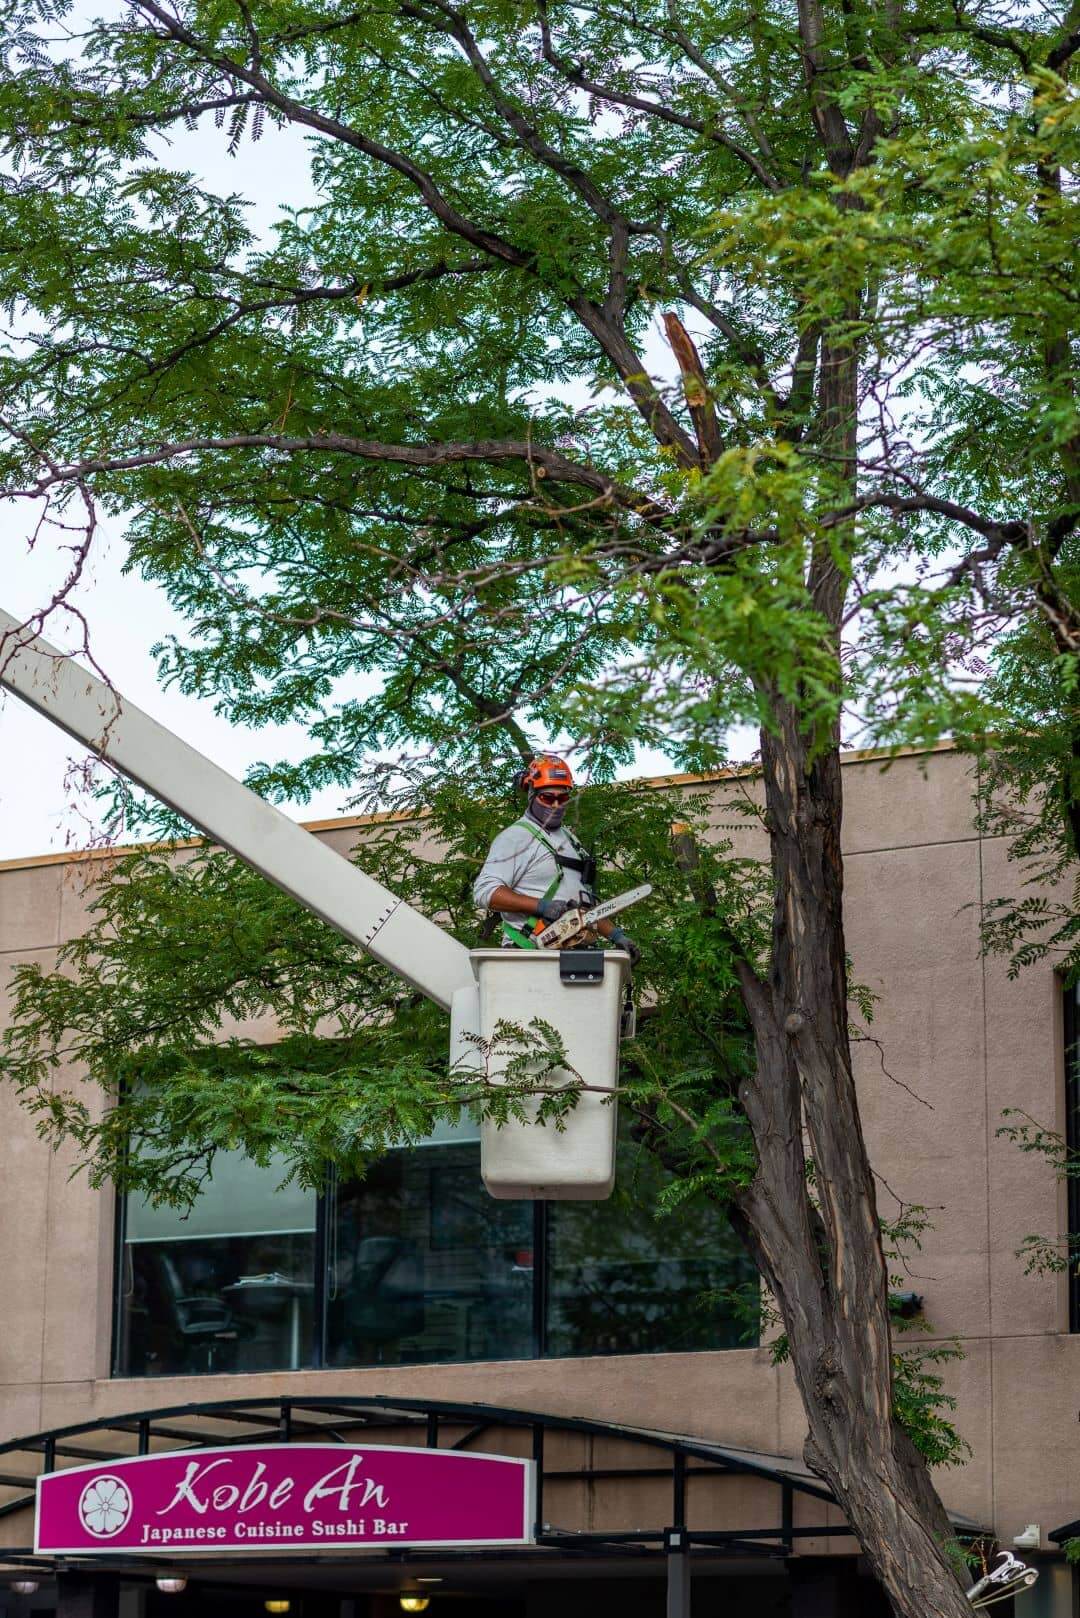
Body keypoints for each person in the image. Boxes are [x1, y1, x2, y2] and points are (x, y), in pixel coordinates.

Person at [473, 756, 640, 963]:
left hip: (572, 955)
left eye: (562, 799)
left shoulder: (571, 840)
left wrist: (617, 936)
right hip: (529, 955)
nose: (555, 805)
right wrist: (542, 906)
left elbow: (583, 908)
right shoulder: (516, 837)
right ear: (532, 795)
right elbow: (485, 892)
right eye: (547, 798)